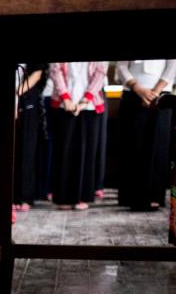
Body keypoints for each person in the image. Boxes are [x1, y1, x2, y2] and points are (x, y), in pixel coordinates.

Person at [116, 59, 176, 211]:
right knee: (133, 145)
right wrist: (139, 89)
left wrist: (155, 92)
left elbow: (172, 67)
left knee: (158, 147)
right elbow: (121, 66)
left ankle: (154, 196)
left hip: (161, 94)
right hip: (133, 93)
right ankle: (131, 197)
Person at [48, 62, 107, 210]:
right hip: (64, 104)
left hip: (90, 106)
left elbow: (100, 74)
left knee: (87, 153)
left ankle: (83, 196)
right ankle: (63, 197)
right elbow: (55, 71)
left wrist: (84, 101)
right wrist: (66, 98)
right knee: (64, 152)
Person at [14, 63, 48, 211]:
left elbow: (38, 72)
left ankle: (25, 197)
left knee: (27, 150)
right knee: (10, 150)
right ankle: (11, 196)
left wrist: (18, 91)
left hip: (27, 99)